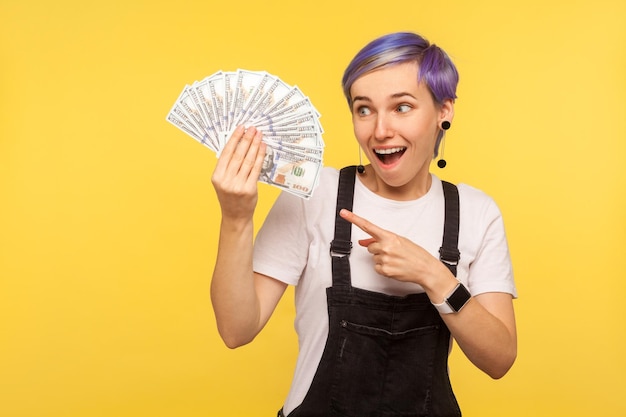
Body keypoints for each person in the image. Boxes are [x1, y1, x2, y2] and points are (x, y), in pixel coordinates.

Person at [210, 31, 517, 417]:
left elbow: (500, 359)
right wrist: (236, 218)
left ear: (445, 110)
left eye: (402, 107)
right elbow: (237, 329)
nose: (380, 131)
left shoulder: (475, 211)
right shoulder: (315, 193)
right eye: (364, 109)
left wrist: (433, 275)